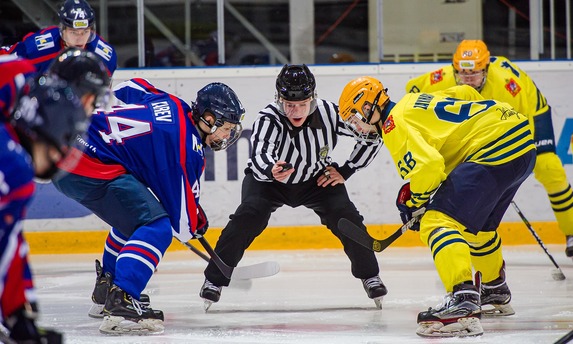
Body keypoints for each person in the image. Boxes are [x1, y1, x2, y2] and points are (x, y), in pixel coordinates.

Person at [338, 76, 536, 337]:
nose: (357, 127)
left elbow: (429, 168)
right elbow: (466, 92)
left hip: (494, 148)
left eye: (354, 119)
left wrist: (414, 203)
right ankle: (494, 288)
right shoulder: (414, 101)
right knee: (477, 230)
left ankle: (463, 300)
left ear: (366, 108)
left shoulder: (393, 124)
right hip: (520, 139)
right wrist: (478, 129)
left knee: (437, 221)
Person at [51, 77, 246, 335]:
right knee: (156, 226)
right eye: (226, 128)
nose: (227, 135)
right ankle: (122, 297)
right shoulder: (187, 149)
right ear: (208, 119)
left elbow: (133, 85)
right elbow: (182, 225)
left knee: (134, 218)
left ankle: (106, 288)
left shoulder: (173, 103)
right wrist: (194, 222)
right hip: (88, 164)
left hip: (63, 146)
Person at [200, 64, 387, 310]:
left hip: (316, 180)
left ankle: (370, 275)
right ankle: (214, 280)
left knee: (346, 216)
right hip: (268, 182)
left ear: (313, 99)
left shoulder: (330, 113)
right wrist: (271, 169)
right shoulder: (269, 118)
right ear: (279, 99)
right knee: (248, 217)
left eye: (302, 104)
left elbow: (372, 135)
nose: (295, 111)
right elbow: (259, 155)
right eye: (288, 104)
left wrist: (347, 169)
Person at [405, 39, 573, 258]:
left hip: (529, 117)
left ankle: (571, 231)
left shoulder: (508, 86)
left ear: (486, 69)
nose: (467, 79)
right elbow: (412, 92)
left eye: (474, 73)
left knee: (549, 168)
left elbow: (521, 130)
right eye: (462, 74)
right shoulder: (441, 79)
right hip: (486, 129)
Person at [1, 55, 89, 343]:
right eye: (64, 140)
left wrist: (17, 311)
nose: (63, 152)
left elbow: (10, 238)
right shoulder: (15, 168)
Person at [1, 0, 117, 76]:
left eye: (85, 32)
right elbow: (7, 58)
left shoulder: (104, 57)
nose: (80, 39)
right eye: (73, 32)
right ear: (62, 30)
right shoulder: (37, 48)